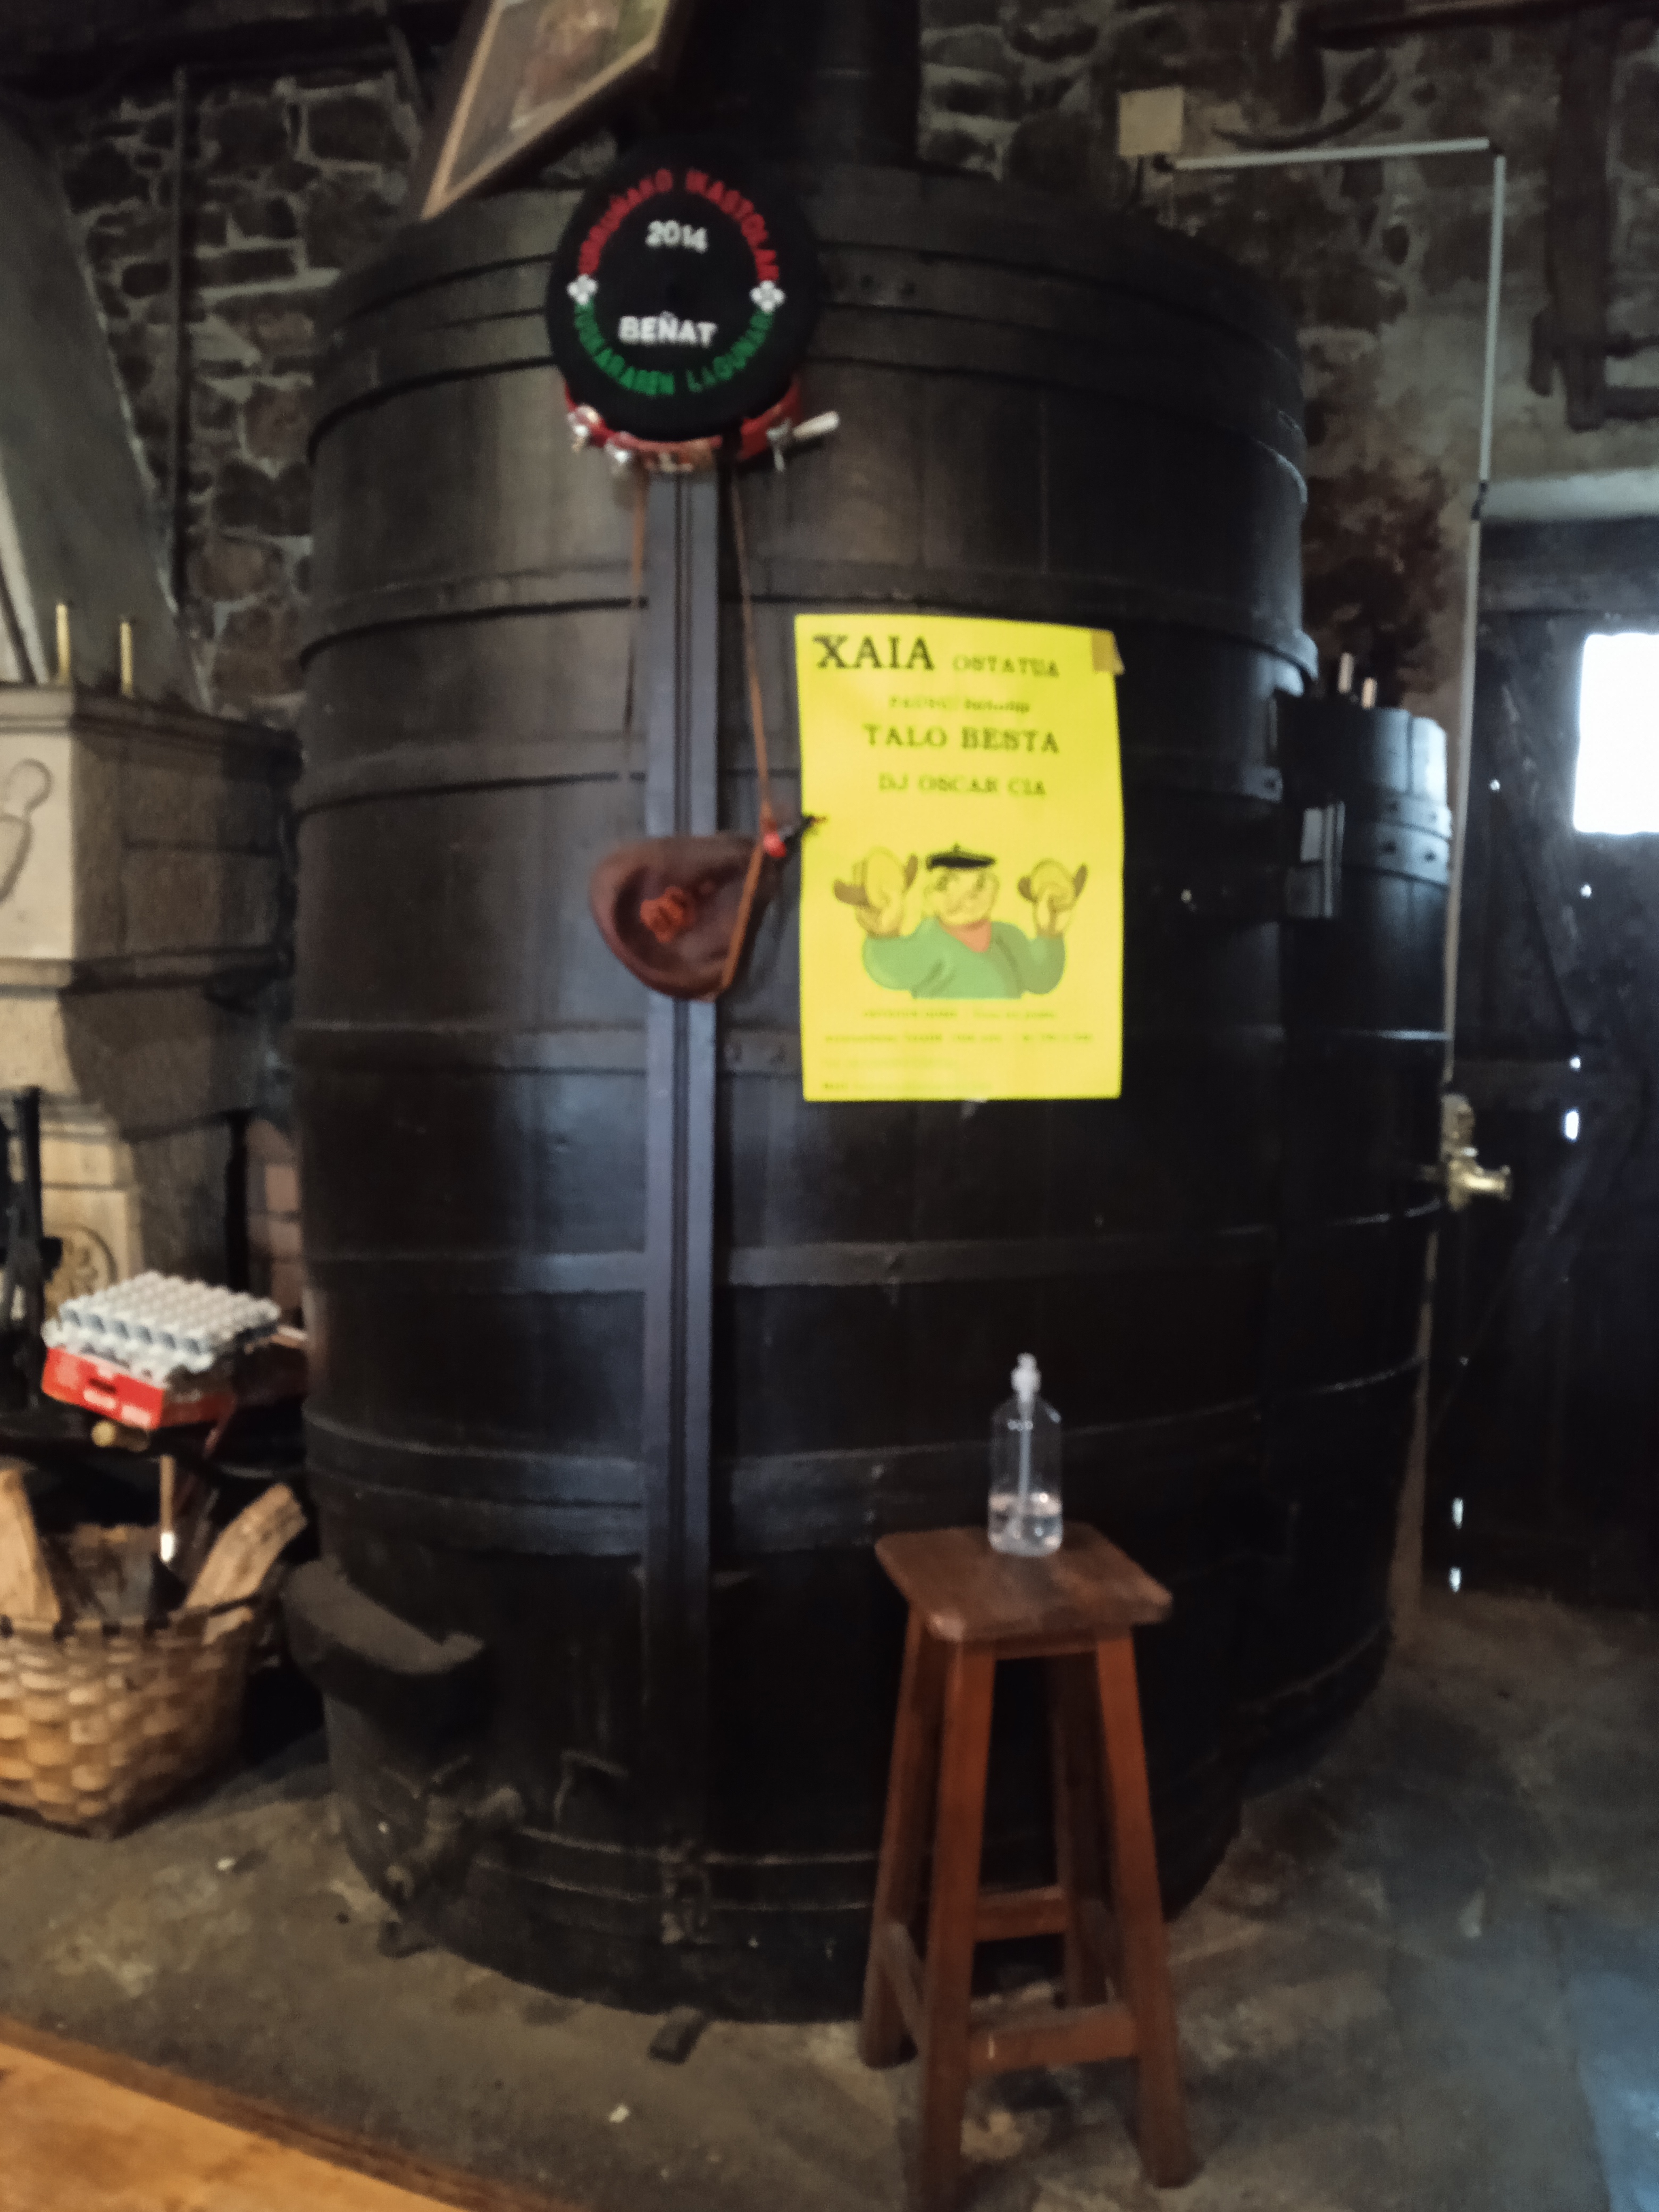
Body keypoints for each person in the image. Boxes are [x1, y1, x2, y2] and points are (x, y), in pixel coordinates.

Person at [836, 843, 1086, 1000]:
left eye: (980, 885)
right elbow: (893, 973)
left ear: (994, 891)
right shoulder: (929, 939)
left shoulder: (1009, 936)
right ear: (929, 896)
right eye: (945, 885)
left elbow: (1041, 980)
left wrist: (1050, 933)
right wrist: (885, 933)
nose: (967, 898)